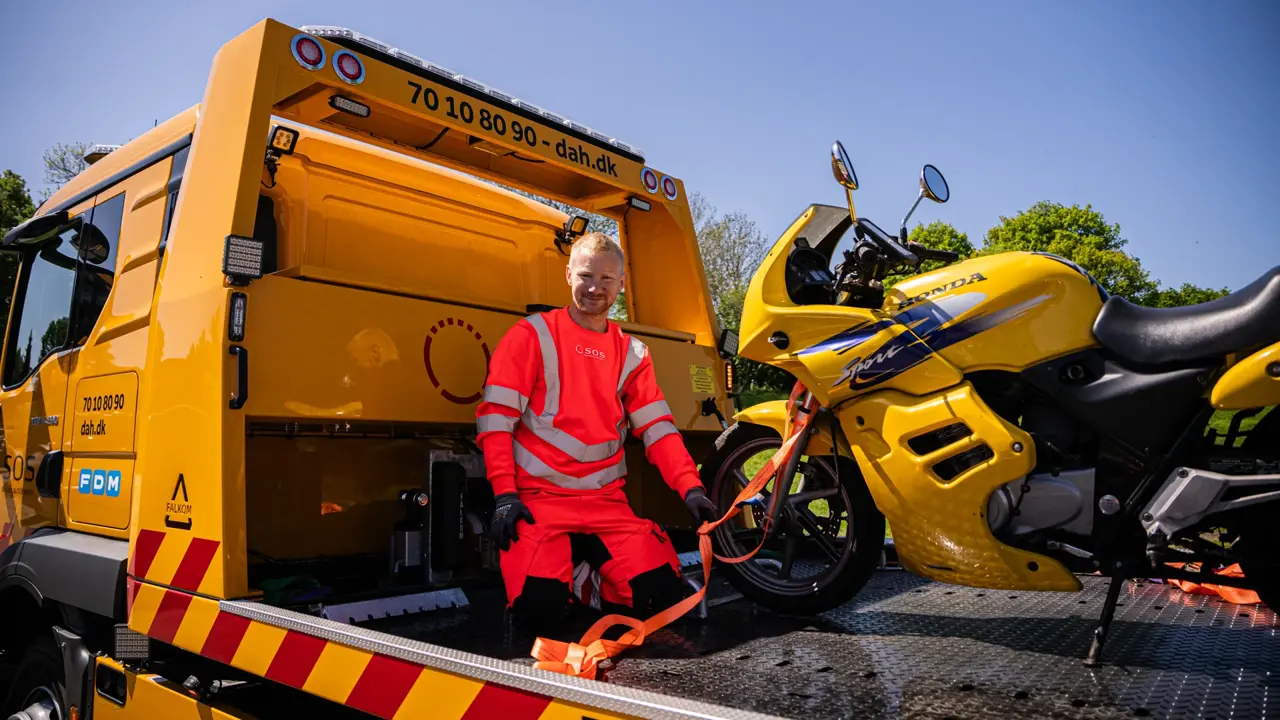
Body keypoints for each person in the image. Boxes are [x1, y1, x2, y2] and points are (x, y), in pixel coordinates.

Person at [474, 231, 720, 629]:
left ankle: (585, 569)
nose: (595, 288)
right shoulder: (531, 335)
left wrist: (690, 487)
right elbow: (495, 418)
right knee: (540, 612)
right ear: (568, 274)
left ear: (621, 284)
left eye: (607, 280)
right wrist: (504, 494)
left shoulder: (633, 352)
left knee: (660, 599)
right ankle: (573, 566)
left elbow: (657, 427)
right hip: (541, 503)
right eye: (586, 276)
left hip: (607, 506)